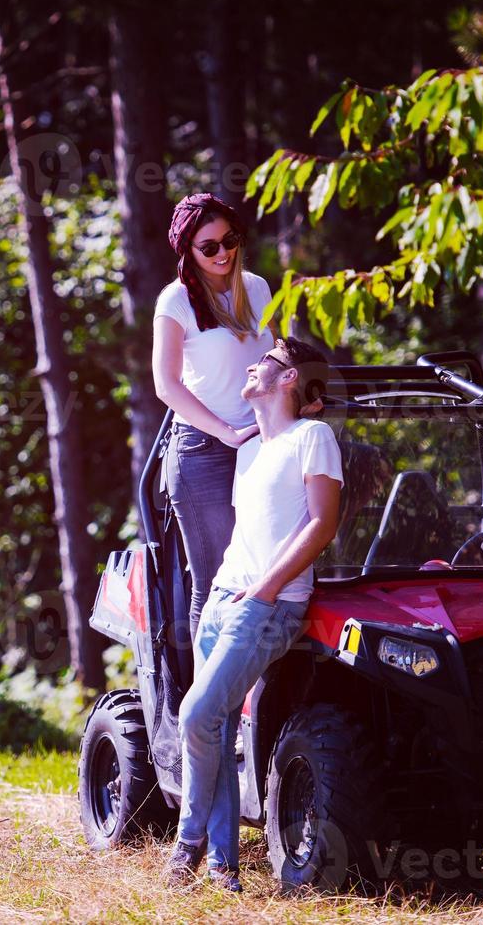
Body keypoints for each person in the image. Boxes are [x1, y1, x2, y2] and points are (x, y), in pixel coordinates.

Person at [164, 337, 343, 893]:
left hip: (270, 605)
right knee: (211, 723)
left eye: (267, 359)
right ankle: (221, 864)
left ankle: (187, 842)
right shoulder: (249, 449)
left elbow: (323, 524)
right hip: (222, 597)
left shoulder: (313, 437)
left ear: (289, 379)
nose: (253, 364)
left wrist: (265, 590)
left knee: (196, 716)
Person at [153, 193, 318, 650]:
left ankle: (254, 702)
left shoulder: (258, 288)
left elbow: (277, 362)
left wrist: (300, 404)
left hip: (263, 448)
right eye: (208, 247)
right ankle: (200, 711)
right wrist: (227, 433)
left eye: (229, 240)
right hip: (204, 453)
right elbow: (166, 386)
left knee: (273, 576)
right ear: (187, 250)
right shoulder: (176, 301)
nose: (222, 253)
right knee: (216, 585)